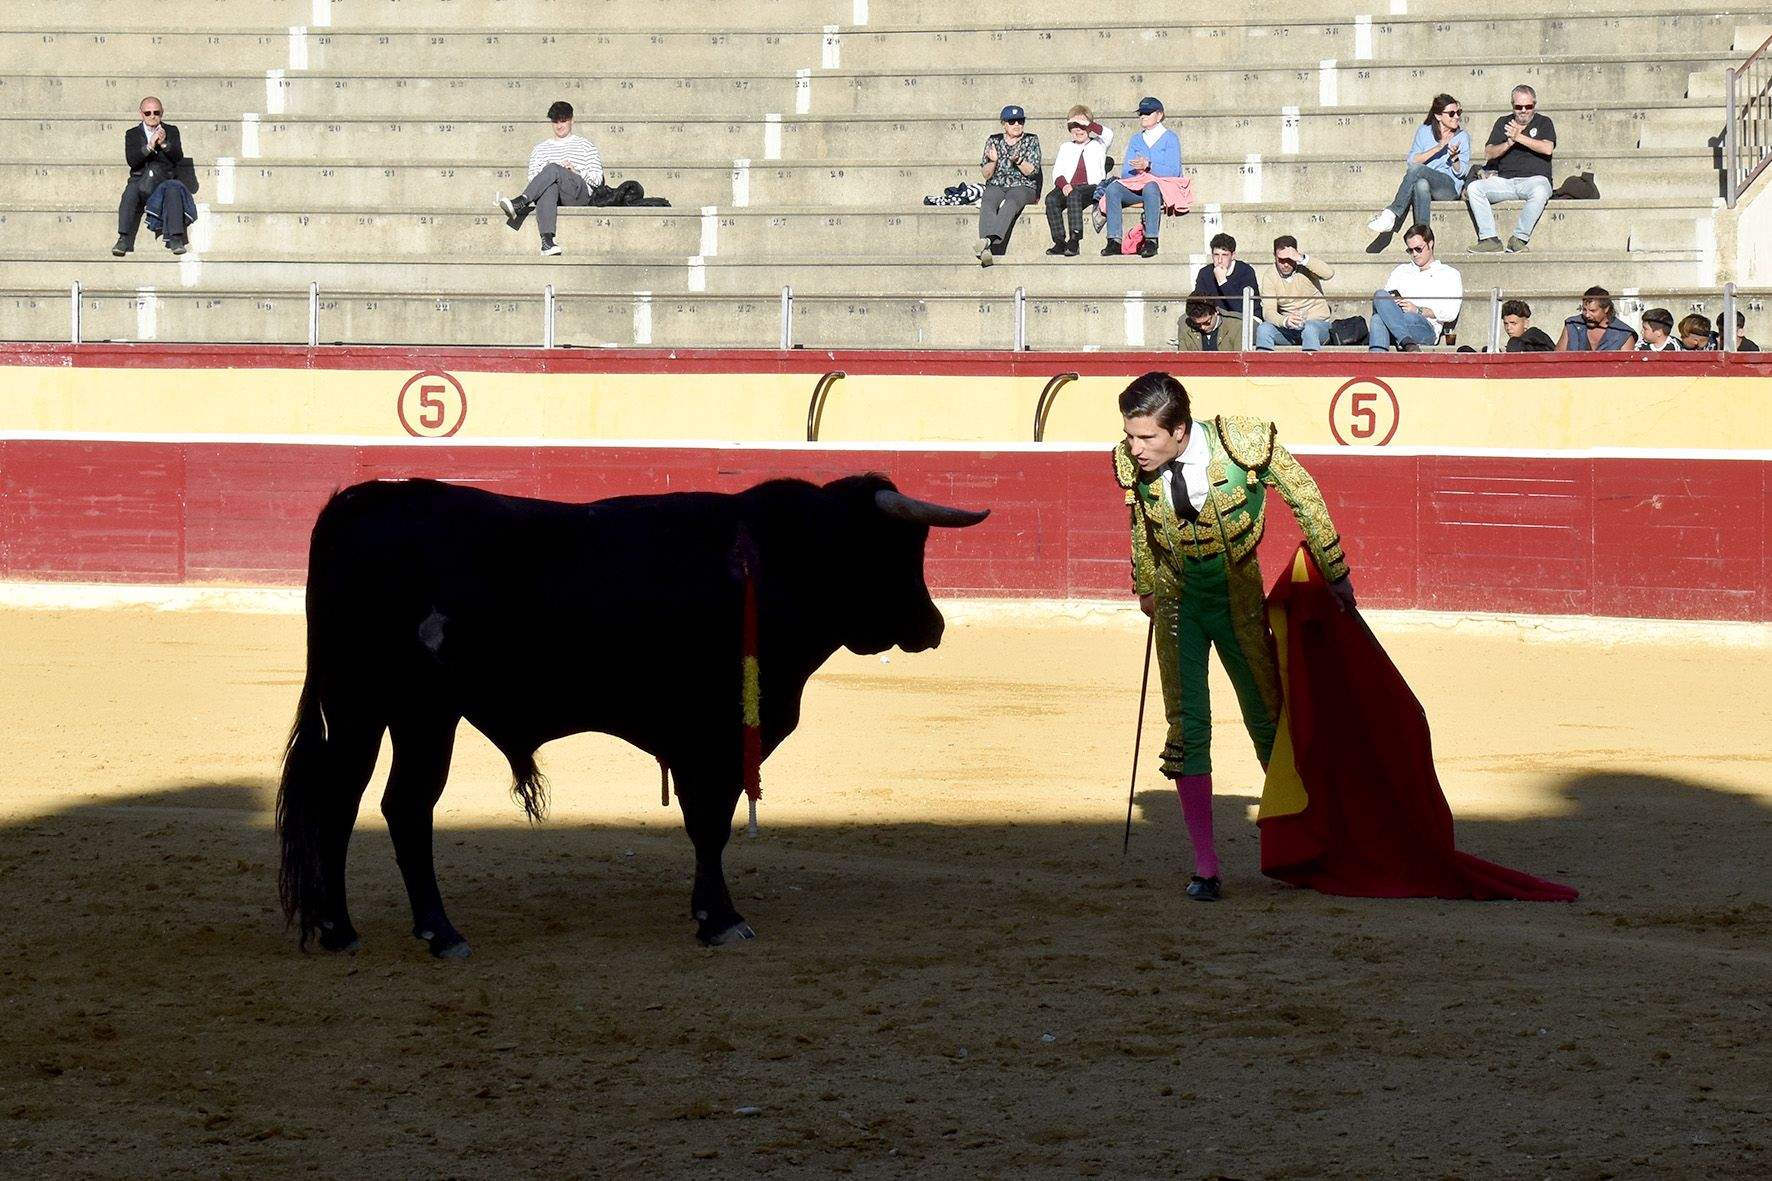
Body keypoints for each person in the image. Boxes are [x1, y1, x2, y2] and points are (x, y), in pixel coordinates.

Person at [1113, 372, 1354, 901]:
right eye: (1130, 436)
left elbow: (1306, 496)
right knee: (1187, 725)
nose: (1134, 448)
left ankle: (1304, 844)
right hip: (1179, 610)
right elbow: (1140, 526)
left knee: (1267, 717)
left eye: (1146, 437)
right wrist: (1146, 587)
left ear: (1179, 430)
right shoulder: (1129, 460)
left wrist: (1335, 571)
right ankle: (1206, 864)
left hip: (1239, 603)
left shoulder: (1244, 443)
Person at [496, 100, 605, 256]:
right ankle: (547, 241)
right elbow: (533, 177)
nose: (559, 126)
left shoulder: (586, 146)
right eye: (555, 121)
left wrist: (576, 171)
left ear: (572, 120)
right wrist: (548, 173)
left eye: (563, 121)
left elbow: (597, 179)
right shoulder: (540, 149)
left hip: (577, 192)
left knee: (553, 168)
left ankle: (522, 201)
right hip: (552, 194)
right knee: (550, 183)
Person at [1465, 84, 1555, 253]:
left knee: (1541, 190)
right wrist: (1509, 143)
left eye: (1528, 106)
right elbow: (1489, 153)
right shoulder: (1503, 123)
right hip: (1505, 181)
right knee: (1474, 188)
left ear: (1534, 105)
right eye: (1518, 107)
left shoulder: (1544, 122)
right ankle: (1489, 239)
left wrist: (1519, 137)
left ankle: (1518, 238)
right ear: (1512, 105)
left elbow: (1547, 148)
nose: (1523, 110)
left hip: (1534, 180)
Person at [1367, 95, 1470, 236]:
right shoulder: (1424, 131)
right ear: (1438, 116)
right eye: (1452, 113)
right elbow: (1412, 160)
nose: (1457, 116)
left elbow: (1462, 172)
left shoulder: (1462, 136)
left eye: (1459, 112)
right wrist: (1439, 147)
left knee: (1417, 171)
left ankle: (1392, 213)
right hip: (1426, 183)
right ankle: (1423, 235)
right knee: (1421, 183)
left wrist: (1455, 158)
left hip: (1449, 187)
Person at [1100, 97, 1182, 257]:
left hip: (1161, 188)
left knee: (1151, 187)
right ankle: (1114, 240)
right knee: (1113, 188)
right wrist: (1139, 170)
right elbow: (1125, 172)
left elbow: (1173, 171)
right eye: (1140, 113)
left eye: (1147, 113)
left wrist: (1148, 166)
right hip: (1137, 186)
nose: (1142, 116)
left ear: (1159, 115)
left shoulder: (1170, 138)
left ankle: (1151, 240)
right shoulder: (1136, 139)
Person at [1367, 225, 1463, 351]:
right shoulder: (1401, 271)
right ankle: (1406, 342)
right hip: (1398, 319)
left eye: (1418, 249)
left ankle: (1378, 363)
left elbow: (1451, 313)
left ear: (1430, 244)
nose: (1415, 254)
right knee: (1380, 297)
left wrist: (1417, 310)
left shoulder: (1449, 274)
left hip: (1425, 328)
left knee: (1401, 317)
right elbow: (1385, 301)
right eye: (1410, 250)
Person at [114, 96, 188, 256]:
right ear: (141, 114)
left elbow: (178, 157)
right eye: (148, 113)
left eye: (156, 112)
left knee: (174, 188)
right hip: (140, 179)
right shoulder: (132, 134)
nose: (152, 116)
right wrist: (149, 146)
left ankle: (175, 238)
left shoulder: (172, 131)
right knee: (129, 193)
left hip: (164, 179)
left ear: (162, 113)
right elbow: (132, 161)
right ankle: (123, 238)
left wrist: (164, 144)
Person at [972, 104, 1042, 267]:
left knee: (1011, 202)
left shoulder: (1031, 140)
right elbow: (986, 174)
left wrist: (1018, 161)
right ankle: (987, 248)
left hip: (1023, 186)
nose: (1017, 125)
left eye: (1020, 121)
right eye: (1012, 122)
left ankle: (988, 241)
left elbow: (1032, 172)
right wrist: (993, 161)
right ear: (1004, 124)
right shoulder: (993, 141)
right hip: (996, 184)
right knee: (988, 201)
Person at [1044, 109, 1107, 256]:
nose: (1078, 129)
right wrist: (1064, 184)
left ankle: (1074, 240)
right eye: (1074, 126)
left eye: (1082, 126)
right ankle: (1059, 241)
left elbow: (1108, 134)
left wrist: (1089, 123)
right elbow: (1057, 171)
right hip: (1068, 185)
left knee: (1074, 195)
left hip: (1090, 186)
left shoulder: (1099, 144)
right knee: (1051, 199)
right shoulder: (1066, 147)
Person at [1255, 236, 1334, 352]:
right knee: (1263, 329)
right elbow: (1268, 311)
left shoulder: (1306, 267)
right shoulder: (1270, 275)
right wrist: (1285, 321)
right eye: (1281, 260)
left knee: (1310, 329)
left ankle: (1310, 369)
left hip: (1317, 325)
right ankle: (1263, 368)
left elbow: (1329, 273)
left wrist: (1301, 258)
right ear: (1274, 256)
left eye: (1290, 259)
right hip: (1289, 328)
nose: (1286, 264)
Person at [1192, 233, 1262, 321]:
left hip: (1243, 318)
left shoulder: (1245, 271)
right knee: (1184, 320)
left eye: (1224, 255)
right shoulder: (1205, 273)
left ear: (1233, 256)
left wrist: (1222, 281)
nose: (1220, 260)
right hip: (1215, 318)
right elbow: (1198, 304)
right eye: (1216, 255)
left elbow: (1242, 309)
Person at [1556, 287, 1638, 351]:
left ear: (1606, 309)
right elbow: (1558, 358)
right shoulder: (1572, 325)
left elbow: (1626, 369)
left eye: (1592, 311)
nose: (1587, 315)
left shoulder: (1624, 334)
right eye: (1584, 310)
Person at [1174, 297, 1241, 351]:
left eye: (1207, 322)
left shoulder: (1236, 325)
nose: (1203, 327)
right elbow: (1184, 360)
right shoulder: (1185, 325)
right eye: (1197, 324)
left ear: (1215, 312)